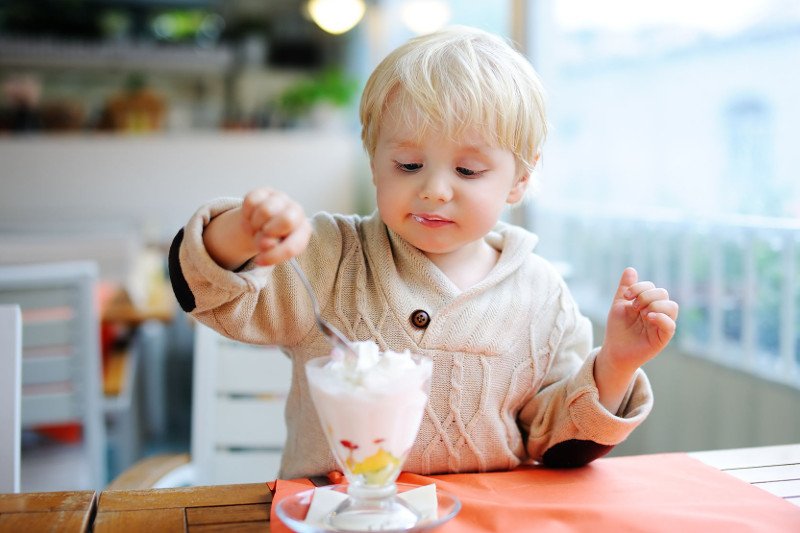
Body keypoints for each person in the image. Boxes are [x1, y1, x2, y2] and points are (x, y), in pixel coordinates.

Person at [168, 26, 679, 479]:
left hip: (484, 519)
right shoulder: (332, 257)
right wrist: (242, 234)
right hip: (337, 517)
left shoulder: (542, 296)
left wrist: (616, 363)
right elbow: (215, 297)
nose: (434, 189)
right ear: (374, 161)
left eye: (467, 171)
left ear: (521, 178)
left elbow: (558, 444)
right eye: (409, 165)